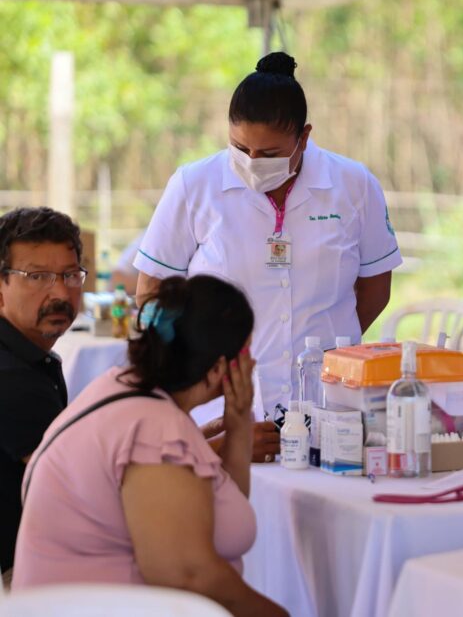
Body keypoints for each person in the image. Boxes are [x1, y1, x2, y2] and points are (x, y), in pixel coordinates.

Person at [134, 52, 401, 453]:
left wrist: (322, 346)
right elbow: (152, 295)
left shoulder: (353, 185)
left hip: (329, 409)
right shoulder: (194, 185)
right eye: (240, 149)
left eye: (270, 154)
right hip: (219, 408)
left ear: (304, 137)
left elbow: (375, 289)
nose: (252, 163)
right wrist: (198, 371)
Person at [13, 275, 288, 615]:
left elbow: (222, 508)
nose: (253, 364)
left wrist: (238, 425)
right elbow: (186, 574)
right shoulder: (153, 427)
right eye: (247, 352)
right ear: (220, 367)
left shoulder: (123, 388)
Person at [0, 207, 84, 587]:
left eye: (69, 275)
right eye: (37, 277)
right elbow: (79, 488)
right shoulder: (10, 375)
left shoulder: (30, 356)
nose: (60, 292)